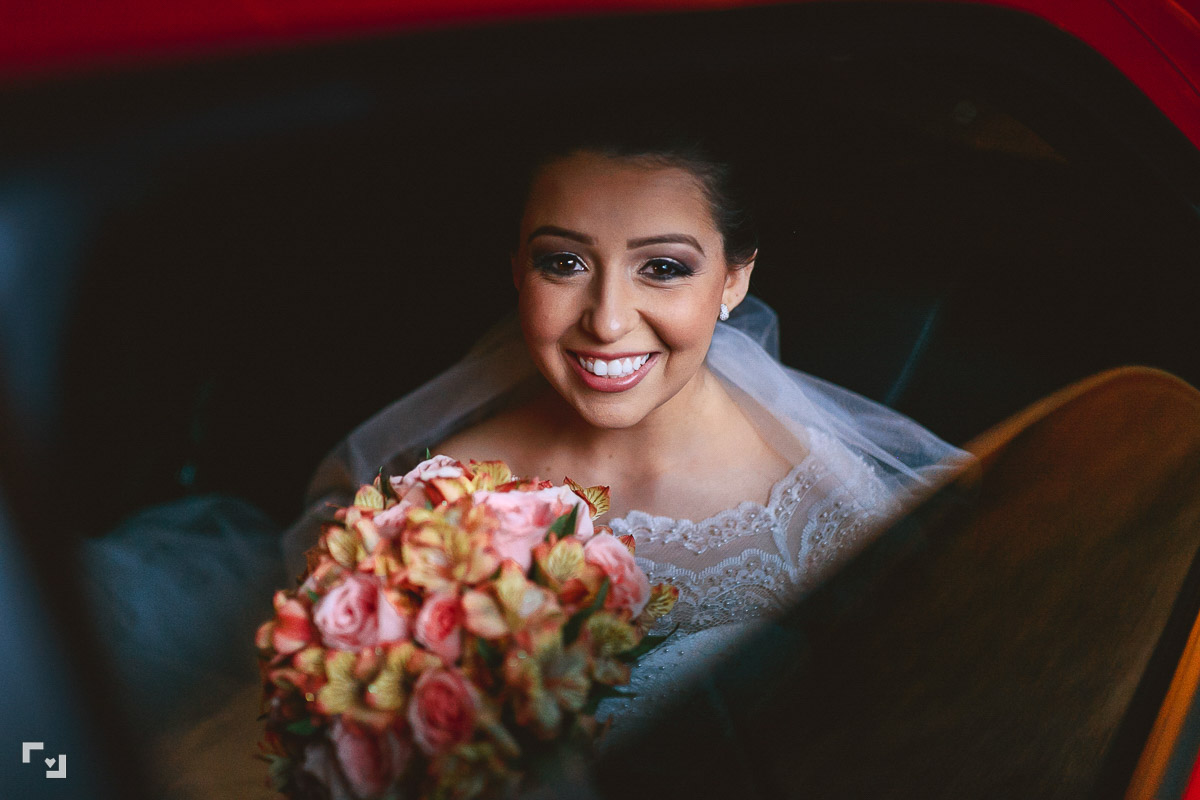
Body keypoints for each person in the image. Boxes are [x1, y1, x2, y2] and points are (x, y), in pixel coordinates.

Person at [280, 139, 969, 734]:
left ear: (735, 278)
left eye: (663, 267)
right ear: (517, 269)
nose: (607, 321)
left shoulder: (823, 510)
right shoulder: (430, 492)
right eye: (564, 263)